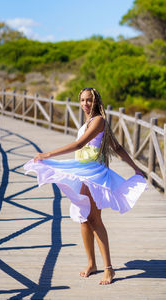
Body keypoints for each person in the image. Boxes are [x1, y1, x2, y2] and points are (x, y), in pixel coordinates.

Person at [24, 87, 146, 285]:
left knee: (94, 218)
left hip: (93, 173)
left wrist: (47, 154)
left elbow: (83, 145)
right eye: (82, 100)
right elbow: (116, 147)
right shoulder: (90, 122)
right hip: (82, 171)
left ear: (96, 101)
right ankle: (92, 263)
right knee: (83, 217)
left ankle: (109, 268)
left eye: (89, 100)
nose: (85, 104)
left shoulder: (98, 120)